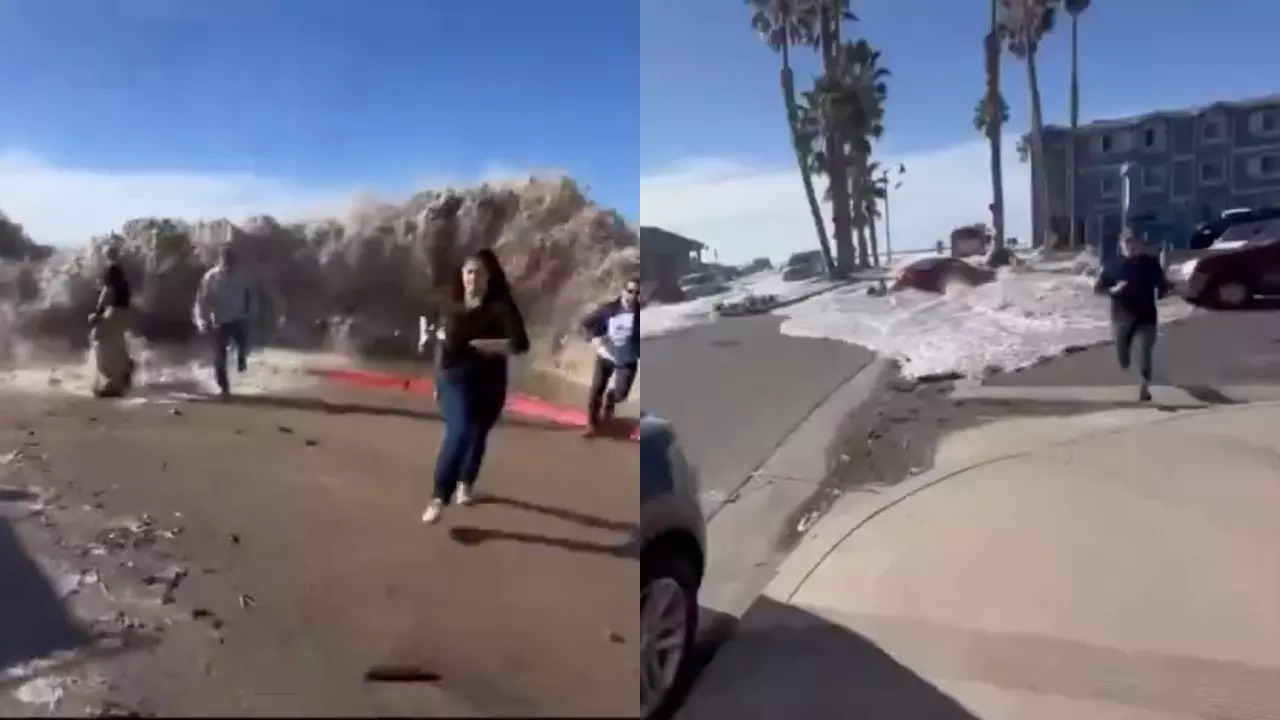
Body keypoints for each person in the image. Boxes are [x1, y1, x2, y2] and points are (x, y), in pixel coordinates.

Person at [421, 248, 530, 524]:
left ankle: (466, 483)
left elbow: (520, 344)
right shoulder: (450, 303)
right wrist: (437, 380)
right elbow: (440, 344)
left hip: (490, 381)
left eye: (479, 271)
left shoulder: (500, 306)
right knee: (458, 432)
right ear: (462, 275)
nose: (473, 277)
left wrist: (485, 345)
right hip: (453, 378)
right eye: (469, 271)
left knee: (478, 436)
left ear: (489, 276)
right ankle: (438, 498)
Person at [1094, 231, 1169, 402]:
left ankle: (1144, 386)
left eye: (1135, 243)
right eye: (1127, 243)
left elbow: (1162, 287)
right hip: (1121, 317)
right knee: (1123, 358)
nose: (1131, 247)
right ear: (1121, 245)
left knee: (1144, 354)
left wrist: (1165, 290)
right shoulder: (1113, 265)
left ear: (1142, 245)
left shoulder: (1151, 264)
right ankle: (1126, 361)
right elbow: (1098, 289)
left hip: (1146, 317)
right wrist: (1113, 290)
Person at [192, 244, 258, 399]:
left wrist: (252, 314)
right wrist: (202, 320)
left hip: (240, 319)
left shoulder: (244, 276)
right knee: (219, 356)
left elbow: (251, 296)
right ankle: (224, 387)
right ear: (220, 259)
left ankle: (242, 359)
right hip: (220, 320)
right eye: (225, 257)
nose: (228, 261)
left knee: (243, 347)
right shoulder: (211, 277)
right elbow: (203, 300)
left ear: (235, 260)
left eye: (231, 258)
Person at [580, 277, 641, 436]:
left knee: (620, 395)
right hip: (606, 355)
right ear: (622, 291)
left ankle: (611, 399)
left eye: (637, 293)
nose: (633, 295)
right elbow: (585, 323)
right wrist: (593, 339)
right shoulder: (609, 309)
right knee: (595, 391)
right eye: (630, 291)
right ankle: (592, 425)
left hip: (627, 359)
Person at [89, 245, 136, 398]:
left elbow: (107, 291)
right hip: (123, 311)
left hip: (114, 310)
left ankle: (114, 381)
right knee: (116, 342)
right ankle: (125, 368)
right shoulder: (121, 271)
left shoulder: (111, 269)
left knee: (100, 338)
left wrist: (98, 312)